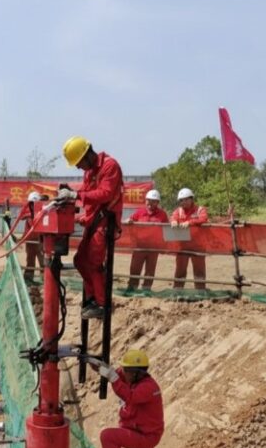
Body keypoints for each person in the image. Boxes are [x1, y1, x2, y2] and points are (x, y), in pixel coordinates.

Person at [59, 136, 124, 320]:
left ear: (88, 155)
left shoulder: (110, 166)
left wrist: (75, 194)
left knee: (94, 261)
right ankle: (93, 297)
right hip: (94, 220)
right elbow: (87, 193)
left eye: (79, 163)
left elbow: (105, 194)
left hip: (106, 221)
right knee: (80, 260)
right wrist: (75, 199)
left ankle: (102, 304)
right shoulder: (89, 172)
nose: (79, 167)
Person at [126, 189, 169, 291]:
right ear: (145, 201)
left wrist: (164, 246)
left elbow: (167, 230)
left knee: (150, 269)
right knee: (135, 268)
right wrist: (129, 221)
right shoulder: (140, 212)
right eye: (148, 200)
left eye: (153, 201)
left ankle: (146, 289)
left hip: (154, 247)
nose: (150, 203)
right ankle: (132, 288)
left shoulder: (162, 214)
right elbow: (129, 220)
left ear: (157, 202)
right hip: (139, 246)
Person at [170, 188, 209, 289]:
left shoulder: (200, 209)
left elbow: (203, 219)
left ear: (192, 199)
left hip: (198, 246)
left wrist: (190, 223)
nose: (184, 202)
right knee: (180, 270)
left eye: (186, 199)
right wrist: (173, 221)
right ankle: (177, 290)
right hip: (182, 246)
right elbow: (173, 217)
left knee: (199, 270)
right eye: (181, 200)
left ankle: (200, 291)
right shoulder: (178, 211)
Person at [23, 191, 45, 282]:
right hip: (30, 241)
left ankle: (45, 280)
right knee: (30, 262)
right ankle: (28, 280)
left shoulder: (43, 212)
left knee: (43, 262)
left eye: (34, 204)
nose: (32, 206)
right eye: (31, 204)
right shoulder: (28, 213)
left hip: (41, 240)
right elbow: (22, 217)